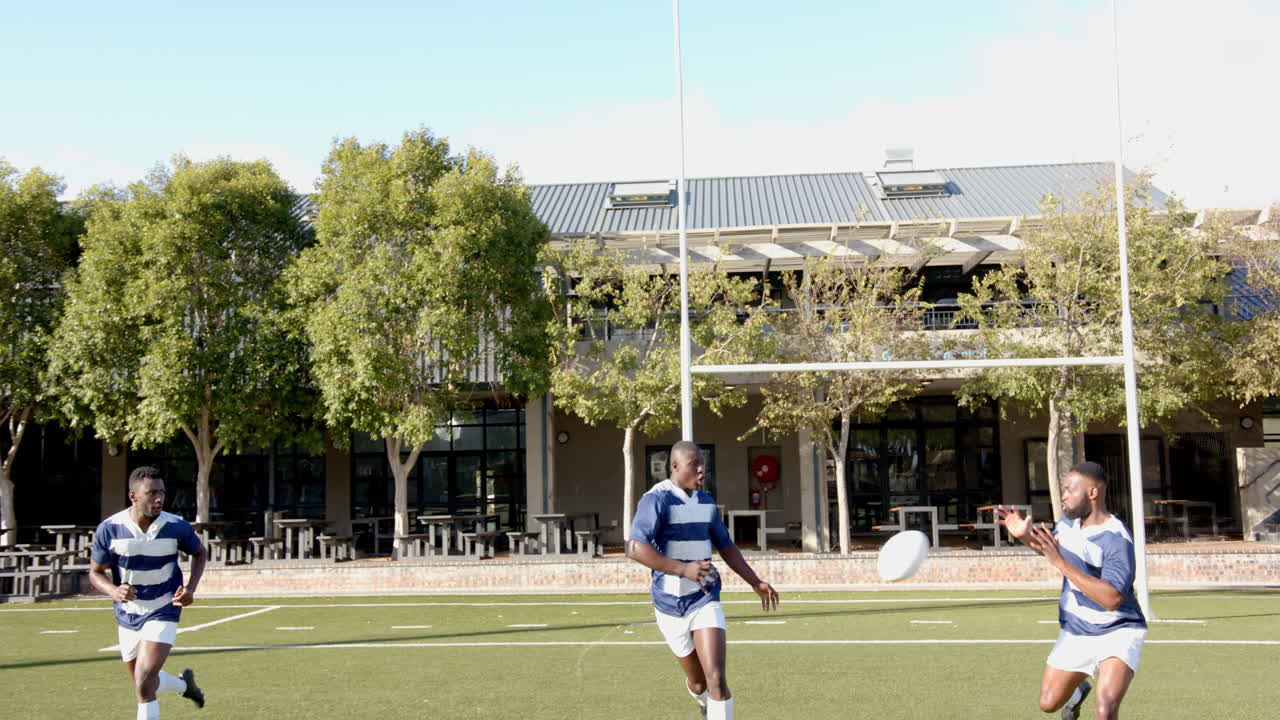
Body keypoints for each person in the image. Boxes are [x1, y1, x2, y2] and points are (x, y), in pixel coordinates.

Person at [628, 440, 779, 719]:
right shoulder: (656, 499)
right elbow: (635, 548)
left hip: (704, 598)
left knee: (717, 679)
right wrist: (683, 569)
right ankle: (700, 699)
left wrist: (755, 582)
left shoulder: (707, 502)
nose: (701, 471)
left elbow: (726, 546)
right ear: (674, 467)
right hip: (669, 605)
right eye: (694, 465)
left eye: (703, 465)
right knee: (699, 683)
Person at [998, 461, 1147, 720]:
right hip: (1077, 629)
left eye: (1069, 490)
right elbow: (1051, 548)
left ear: (1092, 493)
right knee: (1048, 703)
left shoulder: (1116, 539)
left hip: (1118, 629)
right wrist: (1024, 536)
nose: (1063, 495)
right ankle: (1077, 693)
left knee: (1106, 708)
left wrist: (1060, 563)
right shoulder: (1067, 524)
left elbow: (1112, 599)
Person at [89, 466, 208, 719]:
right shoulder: (109, 529)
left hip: (164, 607)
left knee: (144, 680)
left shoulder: (176, 526)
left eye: (162, 493)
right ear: (133, 496)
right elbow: (95, 573)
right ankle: (185, 686)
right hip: (127, 613)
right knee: (143, 682)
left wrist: (190, 588)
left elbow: (200, 552)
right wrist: (113, 590)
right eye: (151, 493)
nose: (159, 499)